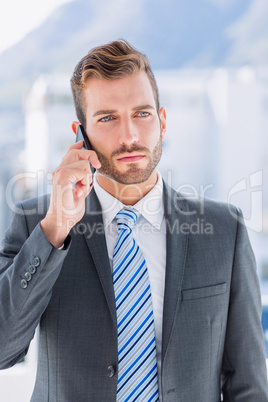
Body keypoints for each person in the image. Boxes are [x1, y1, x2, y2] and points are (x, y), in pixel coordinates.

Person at [0, 39, 267, 402]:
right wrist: (55, 229)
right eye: (107, 118)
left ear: (163, 121)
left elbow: (248, 386)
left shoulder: (224, 230)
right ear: (81, 135)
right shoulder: (38, 223)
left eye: (141, 113)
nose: (129, 136)